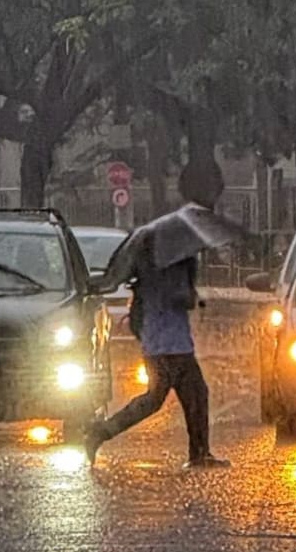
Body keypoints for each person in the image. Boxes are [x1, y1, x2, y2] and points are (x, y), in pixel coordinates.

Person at [82, 170, 231, 469]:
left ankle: (198, 453)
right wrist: (191, 298)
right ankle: (102, 432)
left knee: (187, 394)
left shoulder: (161, 251)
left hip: (163, 335)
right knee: (162, 396)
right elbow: (174, 296)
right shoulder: (168, 256)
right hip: (166, 338)